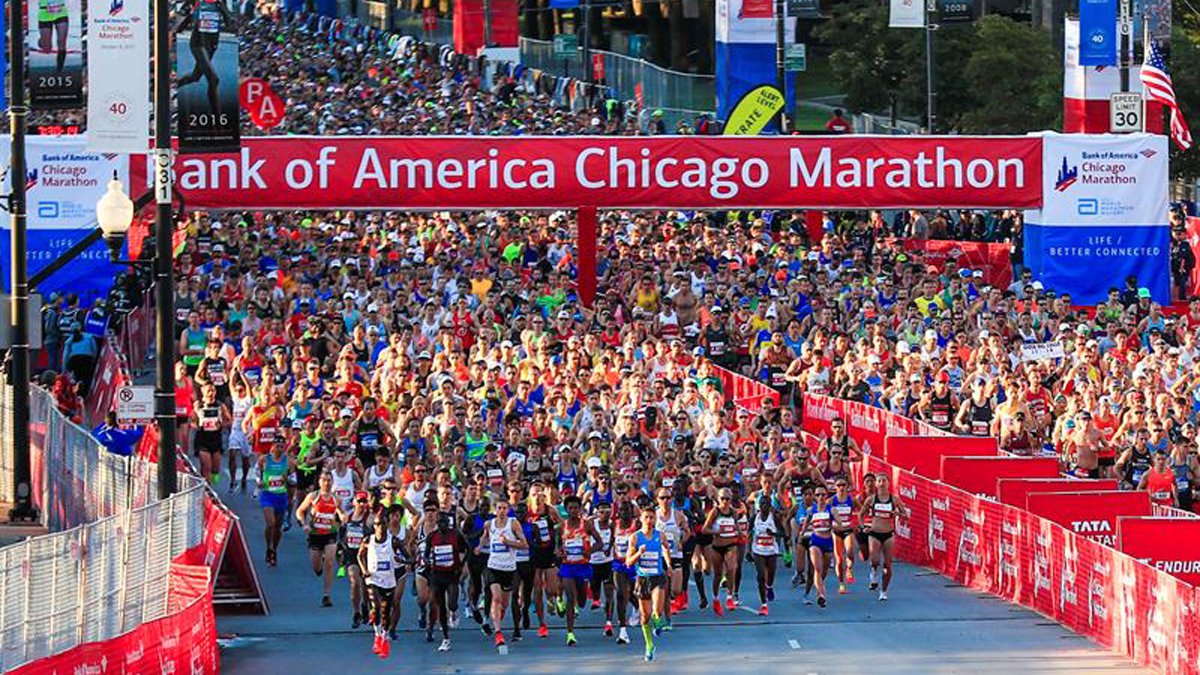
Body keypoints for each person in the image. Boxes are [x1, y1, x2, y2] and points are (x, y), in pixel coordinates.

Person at [480, 497, 528, 652]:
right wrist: (479, 547)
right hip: (493, 567)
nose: (501, 511)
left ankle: (496, 620)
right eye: (499, 508)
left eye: (504, 508)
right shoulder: (489, 524)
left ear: (508, 510)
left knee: (504, 604)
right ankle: (498, 633)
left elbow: (524, 544)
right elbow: (484, 537)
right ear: (495, 510)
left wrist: (508, 542)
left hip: (509, 568)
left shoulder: (513, 524)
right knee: (496, 598)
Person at [626, 501, 671, 662]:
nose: (649, 520)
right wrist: (639, 553)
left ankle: (658, 621)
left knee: (657, 610)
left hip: (657, 577)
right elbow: (628, 562)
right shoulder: (635, 537)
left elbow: (666, 548)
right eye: (646, 517)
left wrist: (669, 563)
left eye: (652, 517)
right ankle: (649, 645)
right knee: (644, 617)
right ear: (641, 518)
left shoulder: (660, 535)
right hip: (642, 579)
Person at [175, 0, 237, 114]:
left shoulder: (220, 3)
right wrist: (180, 25)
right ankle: (217, 119)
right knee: (214, 79)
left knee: (195, 76)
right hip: (198, 44)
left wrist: (224, 11)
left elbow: (230, 25)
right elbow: (181, 15)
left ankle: (174, 86)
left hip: (212, 45)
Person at [557, 494, 602, 646]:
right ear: (566, 510)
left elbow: (600, 542)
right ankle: (570, 633)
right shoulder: (562, 526)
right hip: (568, 566)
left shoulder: (587, 524)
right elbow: (557, 547)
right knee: (570, 599)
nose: (573, 511)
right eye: (570, 508)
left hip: (583, 566)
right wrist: (559, 553)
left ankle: (581, 597)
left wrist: (590, 551)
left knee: (582, 601)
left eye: (576, 508)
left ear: (580, 509)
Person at [296, 471, 346, 607]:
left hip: (330, 534)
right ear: (319, 481)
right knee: (317, 567)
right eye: (324, 480)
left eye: (329, 480)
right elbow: (299, 511)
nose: (327, 483)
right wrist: (304, 524)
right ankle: (319, 566)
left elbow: (341, 512)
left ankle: (326, 594)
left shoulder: (336, 498)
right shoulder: (313, 496)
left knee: (330, 563)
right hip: (315, 535)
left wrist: (343, 516)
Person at [424, 510, 469, 651]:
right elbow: (426, 554)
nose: (444, 525)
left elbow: (467, 549)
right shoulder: (432, 537)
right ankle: (445, 638)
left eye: (446, 523)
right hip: (437, 575)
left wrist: (461, 565)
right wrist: (427, 562)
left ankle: (454, 612)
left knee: (452, 604)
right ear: (437, 524)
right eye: (441, 523)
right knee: (440, 606)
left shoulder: (456, 535)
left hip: (452, 575)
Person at [860, 473, 909, 601]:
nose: (881, 483)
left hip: (888, 534)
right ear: (876, 484)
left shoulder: (894, 499)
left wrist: (897, 513)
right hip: (874, 533)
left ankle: (883, 591)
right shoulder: (871, 499)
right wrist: (862, 527)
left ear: (888, 483)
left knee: (887, 565)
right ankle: (874, 573)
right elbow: (861, 514)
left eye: (884, 481)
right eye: (879, 481)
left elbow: (905, 516)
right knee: (875, 560)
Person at [359, 513, 397, 659]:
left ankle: (384, 637)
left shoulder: (393, 541)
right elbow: (360, 555)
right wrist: (364, 570)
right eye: (376, 524)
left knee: (385, 613)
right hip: (373, 579)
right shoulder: (368, 540)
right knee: (375, 608)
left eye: (382, 524)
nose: (379, 527)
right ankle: (376, 635)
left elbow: (409, 556)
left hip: (388, 580)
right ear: (373, 526)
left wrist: (404, 561)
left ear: (387, 525)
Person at [256, 441, 294, 567]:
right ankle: (268, 547)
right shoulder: (264, 459)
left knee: (277, 528)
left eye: (282, 446)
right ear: (272, 446)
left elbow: (293, 479)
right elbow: (257, 473)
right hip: (268, 495)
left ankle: (274, 550)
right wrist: (259, 481)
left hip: (281, 496)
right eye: (277, 446)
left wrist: (287, 479)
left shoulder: (288, 462)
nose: (280, 448)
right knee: (270, 524)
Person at [339, 491, 372, 628]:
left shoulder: (369, 519)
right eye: (359, 501)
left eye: (364, 501)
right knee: (355, 582)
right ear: (354, 502)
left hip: (366, 555)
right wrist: (339, 553)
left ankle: (365, 605)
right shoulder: (348, 517)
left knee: (366, 586)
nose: (362, 504)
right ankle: (356, 612)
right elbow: (341, 536)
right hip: (351, 554)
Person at [749, 495, 786, 615]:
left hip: (771, 551)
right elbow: (747, 531)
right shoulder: (755, 517)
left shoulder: (774, 518)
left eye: (767, 504)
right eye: (762, 504)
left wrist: (774, 533)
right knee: (760, 576)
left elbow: (783, 533)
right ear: (759, 506)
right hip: (758, 550)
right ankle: (763, 604)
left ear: (770, 506)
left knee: (770, 574)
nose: (764, 506)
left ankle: (769, 586)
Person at [191, 383, 230, 485]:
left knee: (215, 470)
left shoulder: (220, 406)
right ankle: (206, 490)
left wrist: (221, 424)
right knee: (206, 467)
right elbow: (192, 420)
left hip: (216, 439)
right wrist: (196, 425)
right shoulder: (198, 405)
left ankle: (210, 482)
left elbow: (229, 420)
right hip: (202, 439)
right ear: (203, 392)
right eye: (208, 391)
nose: (211, 393)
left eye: (213, 391)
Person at [802, 486, 834, 608]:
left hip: (828, 542)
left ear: (826, 496)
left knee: (824, 571)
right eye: (818, 495)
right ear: (815, 497)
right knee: (817, 568)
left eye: (823, 495)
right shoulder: (811, 510)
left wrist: (836, 526)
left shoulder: (831, 510)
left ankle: (819, 586)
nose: (821, 497)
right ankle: (821, 595)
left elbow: (838, 524)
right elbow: (805, 523)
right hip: (815, 541)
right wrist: (802, 534)